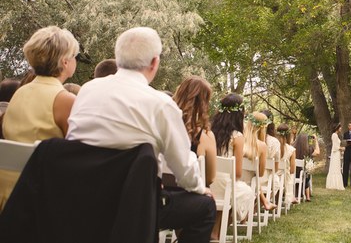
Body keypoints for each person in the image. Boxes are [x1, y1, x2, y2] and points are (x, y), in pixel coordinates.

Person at [66, 27, 215, 243]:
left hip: (80, 197)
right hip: (134, 207)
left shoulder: (88, 90)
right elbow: (183, 169)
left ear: (118, 58)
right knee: (205, 207)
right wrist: (201, 189)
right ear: (154, 63)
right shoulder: (161, 104)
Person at [1, 27, 79, 211]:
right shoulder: (65, 100)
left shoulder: (20, 92)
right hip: (39, 196)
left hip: (6, 190)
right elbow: (78, 153)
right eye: (75, 55)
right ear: (65, 61)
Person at [210, 93, 255, 240]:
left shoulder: (208, 131)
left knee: (230, 191)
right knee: (246, 193)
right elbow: (237, 173)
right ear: (239, 114)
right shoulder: (237, 137)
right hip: (224, 185)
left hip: (206, 181)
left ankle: (212, 231)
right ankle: (218, 232)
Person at [172, 76, 217, 186]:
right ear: (203, 104)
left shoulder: (161, 125)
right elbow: (210, 179)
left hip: (157, 195)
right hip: (188, 196)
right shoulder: (205, 137)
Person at [261, 109, 281, 202]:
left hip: (247, 178)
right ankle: (257, 207)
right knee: (276, 181)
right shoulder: (274, 142)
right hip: (265, 179)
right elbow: (276, 169)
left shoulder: (248, 139)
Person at [294, 133, 320, 201]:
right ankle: (307, 196)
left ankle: (304, 195)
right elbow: (318, 152)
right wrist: (316, 140)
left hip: (293, 174)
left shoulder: (293, 149)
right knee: (306, 173)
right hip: (303, 176)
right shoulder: (309, 149)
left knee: (304, 173)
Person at [276, 123, 297, 205]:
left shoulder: (272, 147)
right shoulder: (291, 150)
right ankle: (290, 196)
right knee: (289, 174)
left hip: (270, 176)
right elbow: (292, 170)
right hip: (283, 179)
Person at [326, 123, 345, 190]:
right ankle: (333, 184)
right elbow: (335, 146)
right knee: (335, 167)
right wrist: (341, 148)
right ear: (337, 127)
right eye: (340, 127)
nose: (341, 128)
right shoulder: (334, 135)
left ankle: (336, 183)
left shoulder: (336, 135)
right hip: (335, 153)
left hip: (337, 153)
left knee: (337, 167)